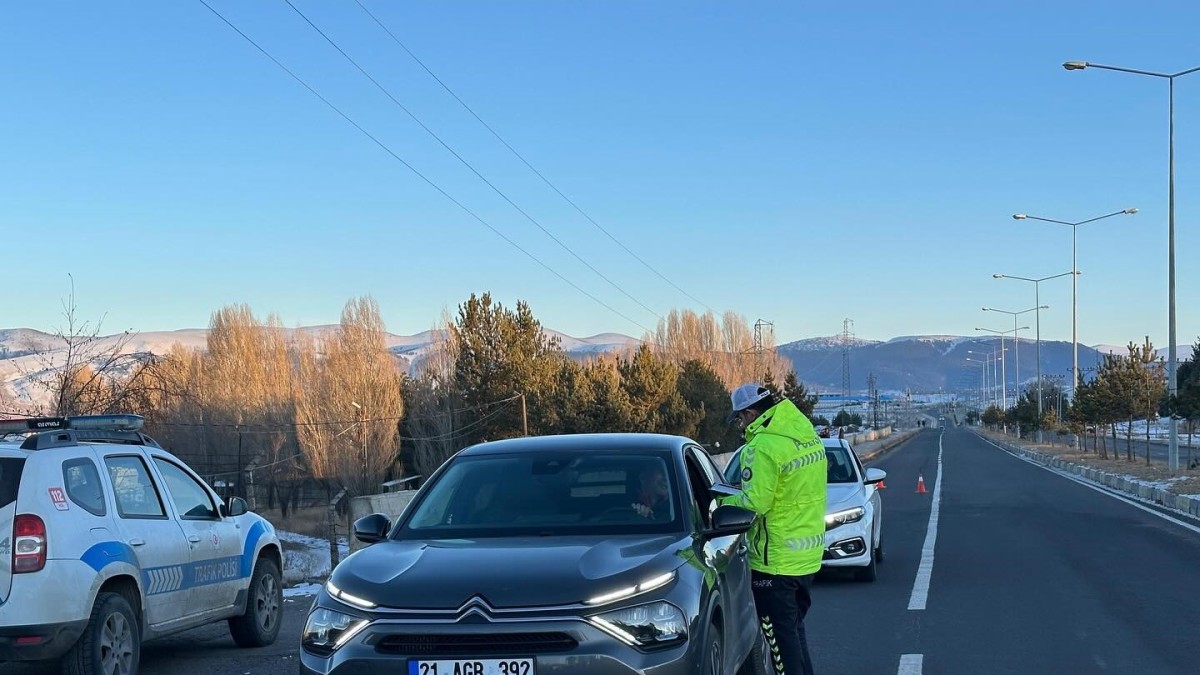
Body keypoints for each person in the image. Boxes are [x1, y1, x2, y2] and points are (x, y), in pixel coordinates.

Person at [722, 383, 827, 675]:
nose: (741, 426)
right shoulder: (804, 436)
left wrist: (719, 500)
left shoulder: (762, 447)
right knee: (793, 634)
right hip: (806, 559)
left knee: (780, 646)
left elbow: (754, 503)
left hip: (775, 565)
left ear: (752, 413)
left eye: (741, 419)